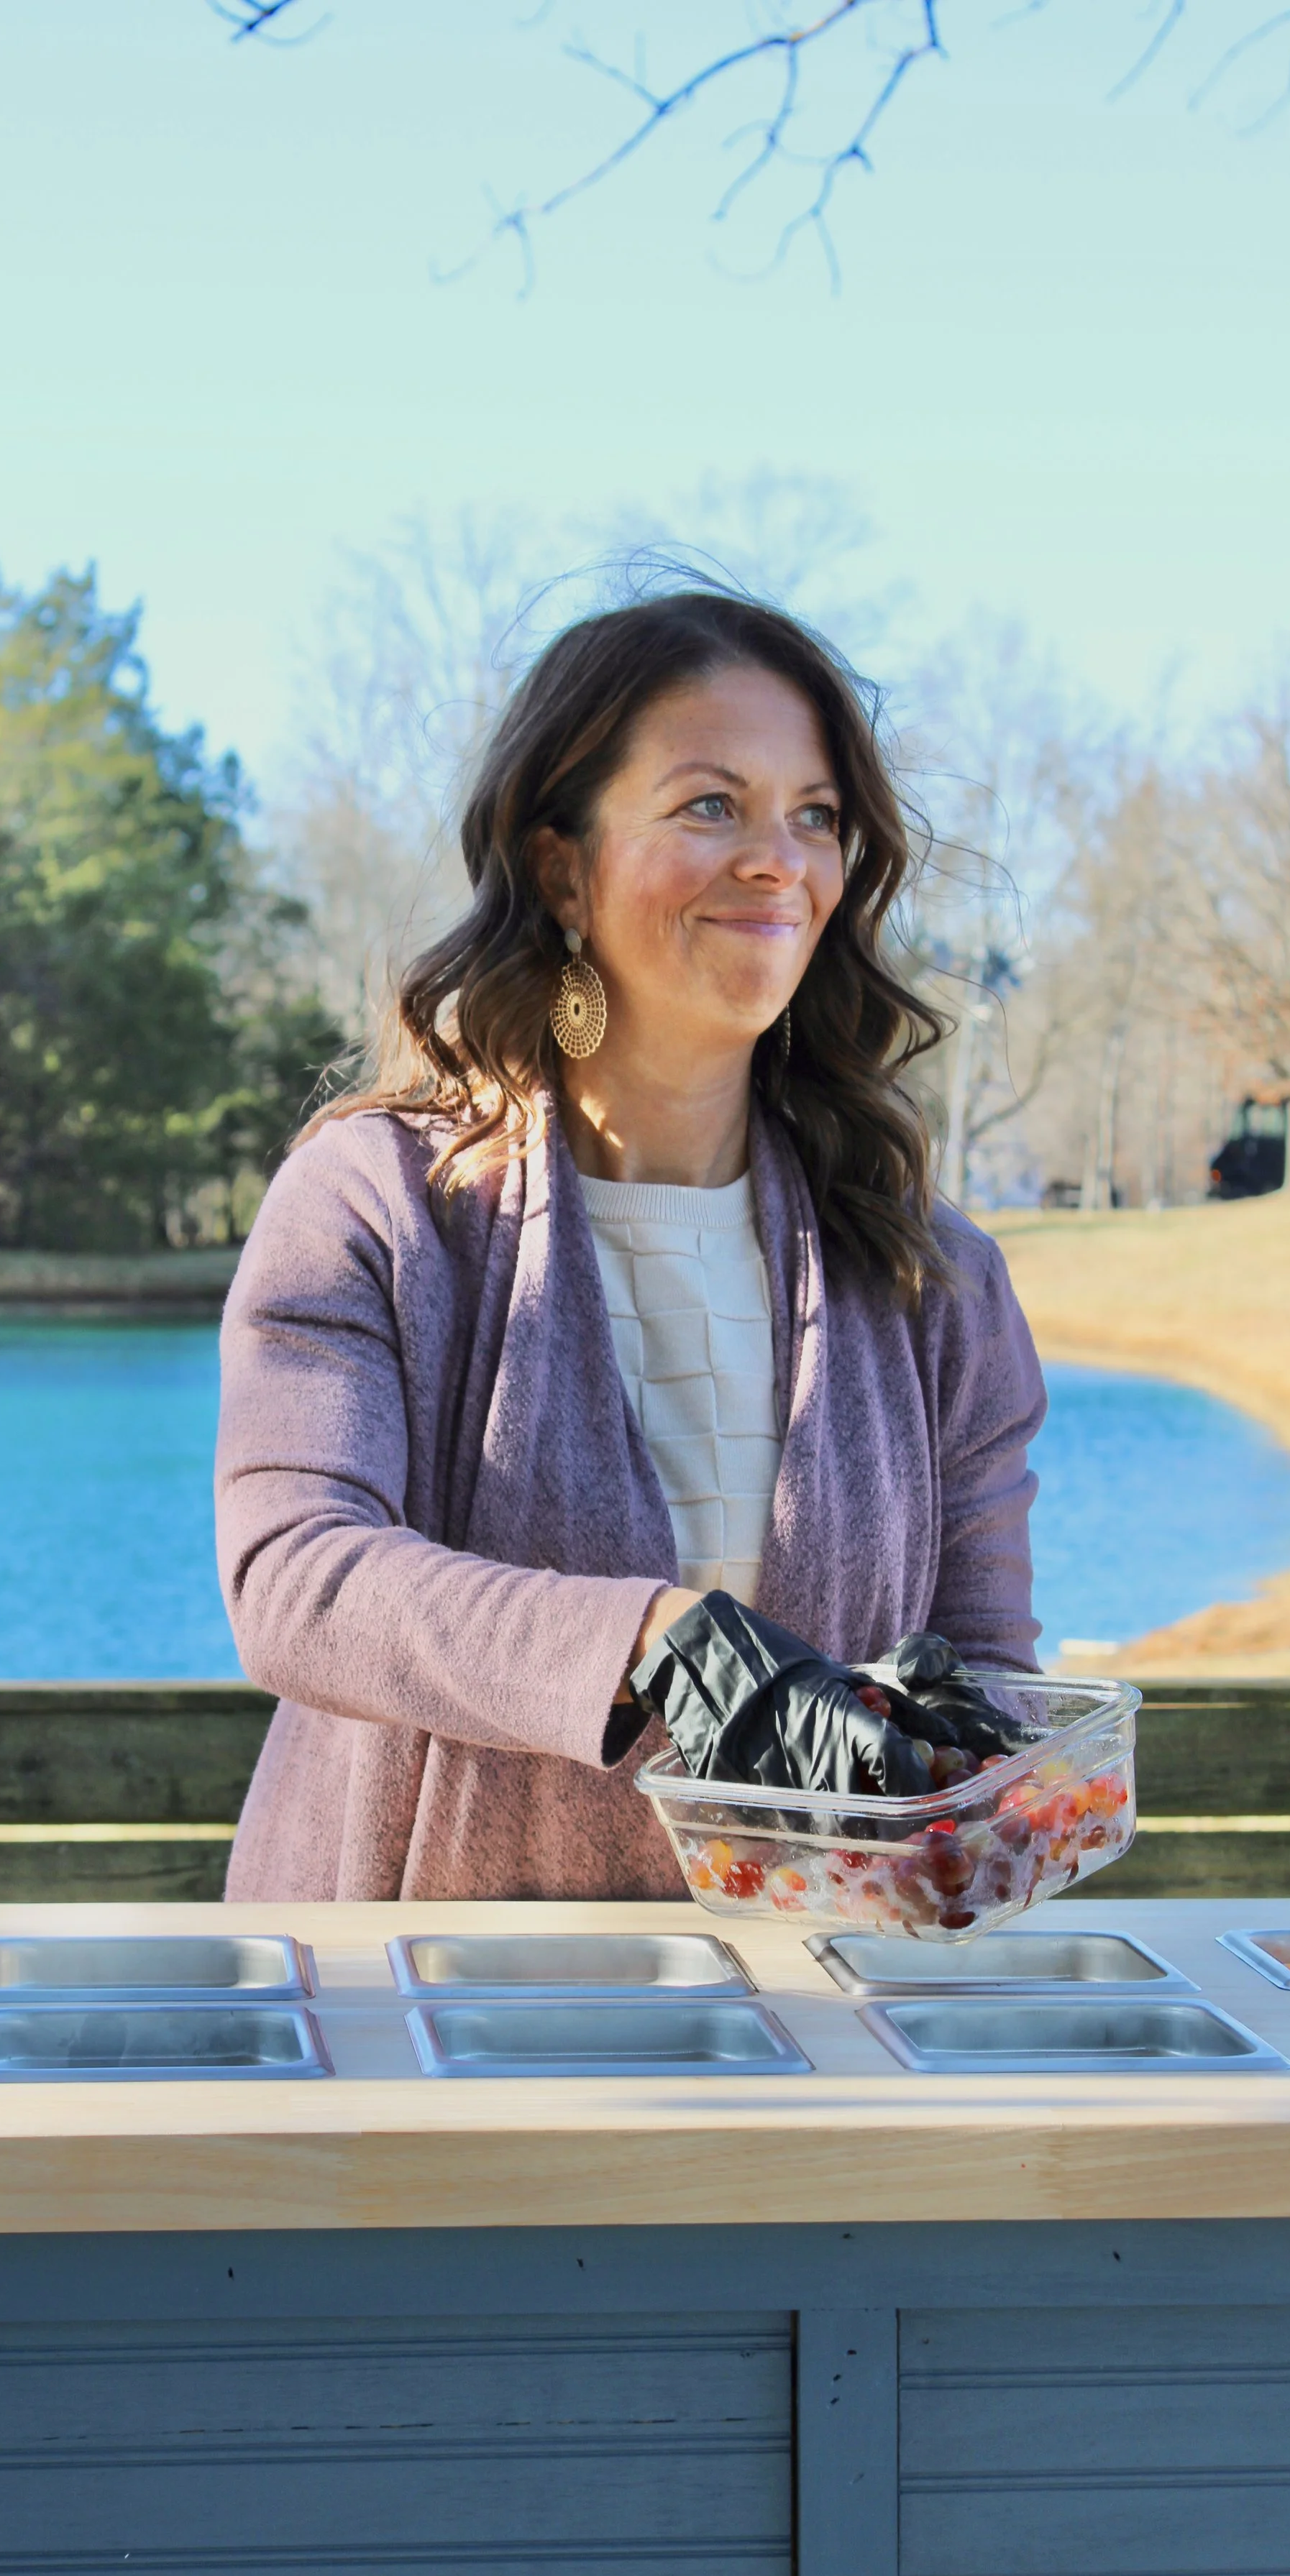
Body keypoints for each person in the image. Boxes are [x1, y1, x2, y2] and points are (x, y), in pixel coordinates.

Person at [215, 589, 1046, 1900]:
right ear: (561, 865)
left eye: (815, 815)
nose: (779, 859)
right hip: (418, 2019)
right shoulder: (374, 1202)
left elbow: (994, 1681)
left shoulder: (931, 1276)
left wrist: (967, 1772)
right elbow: (297, 1576)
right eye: (711, 804)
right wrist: (658, 1643)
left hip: (801, 2033)